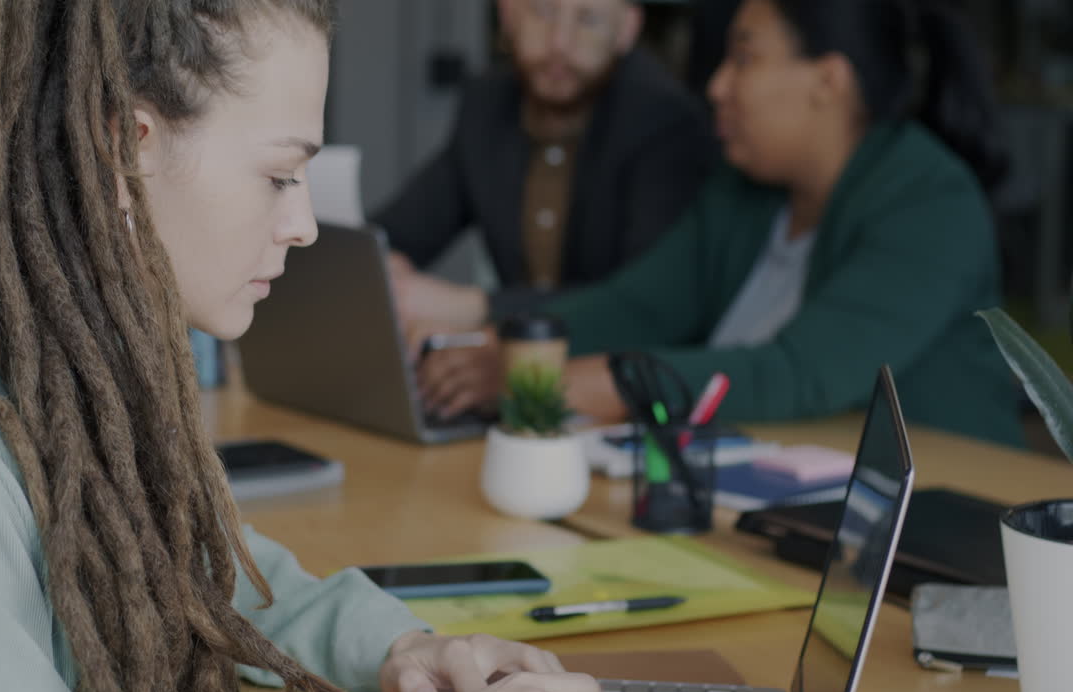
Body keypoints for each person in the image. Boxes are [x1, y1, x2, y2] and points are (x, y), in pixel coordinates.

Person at [0, 2, 618, 692]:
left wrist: (404, 646)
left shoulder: (70, 373)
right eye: (281, 175)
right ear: (127, 145)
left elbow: (195, 574)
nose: (302, 224)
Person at [418, 0, 1023, 447]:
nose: (717, 85)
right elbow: (638, 306)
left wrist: (593, 383)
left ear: (827, 81)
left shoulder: (929, 200)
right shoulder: (748, 188)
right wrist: (516, 346)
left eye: (744, 58)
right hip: (769, 503)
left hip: (937, 533)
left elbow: (799, 373)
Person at [379, 0, 716, 336]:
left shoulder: (664, 121)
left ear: (627, 29)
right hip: (517, 363)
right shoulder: (488, 102)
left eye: (588, 20)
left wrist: (476, 307)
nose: (559, 43)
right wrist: (384, 267)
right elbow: (402, 230)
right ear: (507, 13)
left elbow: (641, 304)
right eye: (542, 11)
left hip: (617, 371)